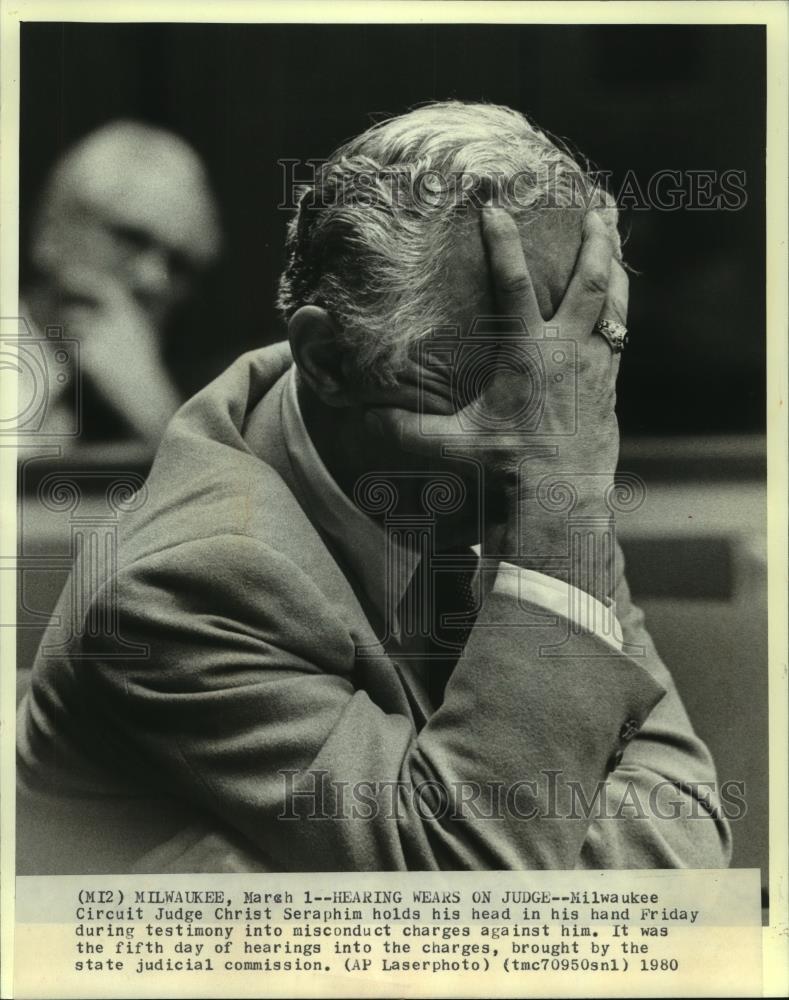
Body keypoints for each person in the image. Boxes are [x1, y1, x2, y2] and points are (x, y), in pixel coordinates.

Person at [17, 102, 731, 873]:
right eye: (485, 371)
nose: (550, 418)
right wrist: (508, 830)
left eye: (566, 365)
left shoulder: (539, 466)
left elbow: (683, 843)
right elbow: (483, 886)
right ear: (325, 359)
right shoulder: (182, 586)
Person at [21, 120, 221, 448]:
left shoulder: (198, 402)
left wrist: (155, 414)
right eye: (130, 239)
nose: (154, 280)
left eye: (180, 265)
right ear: (50, 231)